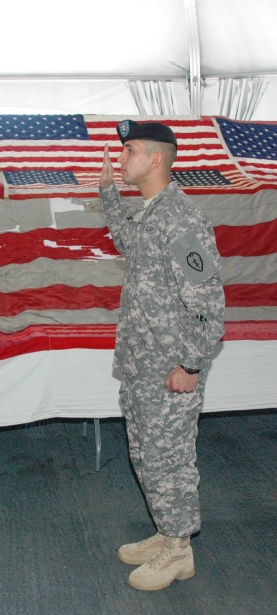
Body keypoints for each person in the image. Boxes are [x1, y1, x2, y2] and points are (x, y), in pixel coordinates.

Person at [98, 120, 225, 591]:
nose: (123, 156)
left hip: (171, 367)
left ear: (155, 159)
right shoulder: (152, 213)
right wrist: (110, 193)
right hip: (142, 364)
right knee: (148, 455)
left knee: (170, 458)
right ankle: (166, 532)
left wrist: (191, 364)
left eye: (128, 150)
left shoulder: (182, 218)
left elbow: (207, 301)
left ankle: (178, 551)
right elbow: (127, 244)